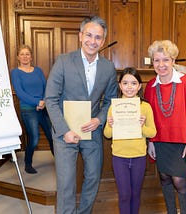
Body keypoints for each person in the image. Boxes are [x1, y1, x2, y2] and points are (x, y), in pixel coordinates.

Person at [44, 16, 118, 214]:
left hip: (92, 131)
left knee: (93, 177)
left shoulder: (108, 67)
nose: (93, 41)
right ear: (80, 36)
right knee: (66, 182)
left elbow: (111, 100)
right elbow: (50, 99)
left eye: (98, 37)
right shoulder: (63, 61)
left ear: (103, 41)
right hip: (64, 132)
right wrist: (64, 130)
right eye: (89, 35)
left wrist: (99, 119)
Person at [144, 40, 186, 214]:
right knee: (164, 178)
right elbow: (149, 118)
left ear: (173, 61)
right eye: (157, 60)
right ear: (152, 62)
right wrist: (151, 142)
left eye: (166, 60)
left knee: (179, 181)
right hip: (160, 141)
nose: (161, 65)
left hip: (182, 142)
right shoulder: (150, 86)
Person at [104, 67, 157, 214]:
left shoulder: (145, 107)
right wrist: (110, 124)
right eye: (125, 83)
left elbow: (152, 132)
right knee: (124, 195)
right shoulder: (114, 107)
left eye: (133, 83)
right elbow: (107, 135)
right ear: (120, 85)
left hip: (139, 156)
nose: (129, 87)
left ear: (139, 86)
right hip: (119, 157)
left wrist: (141, 126)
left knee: (135, 194)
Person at [11, 44, 54, 174]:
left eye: (27, 54)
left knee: (52, 136)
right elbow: (20, 92)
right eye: (22, 54)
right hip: (28, 109)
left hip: (43, 107)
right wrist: (37, 101)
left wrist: (44, 101)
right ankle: (28, 163)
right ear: (18, 57)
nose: (25, 56)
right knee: (34, 139)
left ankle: (60, 160)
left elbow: (46, 87)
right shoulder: (15, 72)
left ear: (31, 56)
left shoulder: (38, 70)